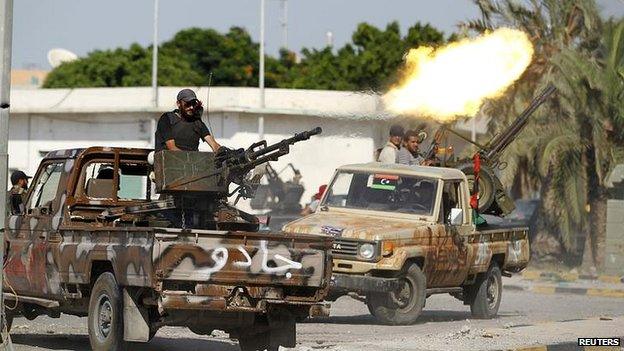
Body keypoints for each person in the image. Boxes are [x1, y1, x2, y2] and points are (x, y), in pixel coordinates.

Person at [154, 89, 221, 152]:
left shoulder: (197, 122)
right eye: (188, 104)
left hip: (193, 162)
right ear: (178, 103)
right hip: (169, 161)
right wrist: (188, 160)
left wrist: (222, 152)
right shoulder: (167, 119)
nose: (191, 107)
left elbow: (213, 144)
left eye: (193, 104)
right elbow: (172, 148)